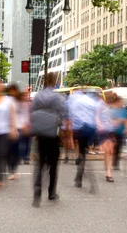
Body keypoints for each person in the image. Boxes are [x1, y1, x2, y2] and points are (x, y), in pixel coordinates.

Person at [31, 72, 67, 207]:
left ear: (44, 82)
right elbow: (64, 114)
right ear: (54, 82)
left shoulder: (38, 96)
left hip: (40, 133)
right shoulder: (58, 97)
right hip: (53, 133)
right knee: (53, 164)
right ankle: (51, 192)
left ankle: (37, 191)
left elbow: (32, 111)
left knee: (40, 163)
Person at [66, 88, 97, 192]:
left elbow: (70, 118)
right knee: (83, 152)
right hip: (91, 128)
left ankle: (82, 178)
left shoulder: (74, 100)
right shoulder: (91, 101)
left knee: (82, 154)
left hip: (81, 128)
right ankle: (79, 176)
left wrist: (70, 136)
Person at [96, 94, 116, 182]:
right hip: (103, 131)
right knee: (108, 151)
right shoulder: (99, 105)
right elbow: (96, 116)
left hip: (110, 130)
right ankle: (108, 172)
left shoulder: (110, 107)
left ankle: (108, 171)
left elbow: (111, 118)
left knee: (110, 151)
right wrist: (99, 125)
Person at [110, 94, 127, 171]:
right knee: (113, 147)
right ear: (117, 102)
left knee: (119, 148)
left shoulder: (123, 110)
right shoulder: (111, 110)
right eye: (120, 102)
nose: (122, 103)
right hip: (112, 132)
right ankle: (112, 161)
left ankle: (116, 162)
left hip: (120, 132)